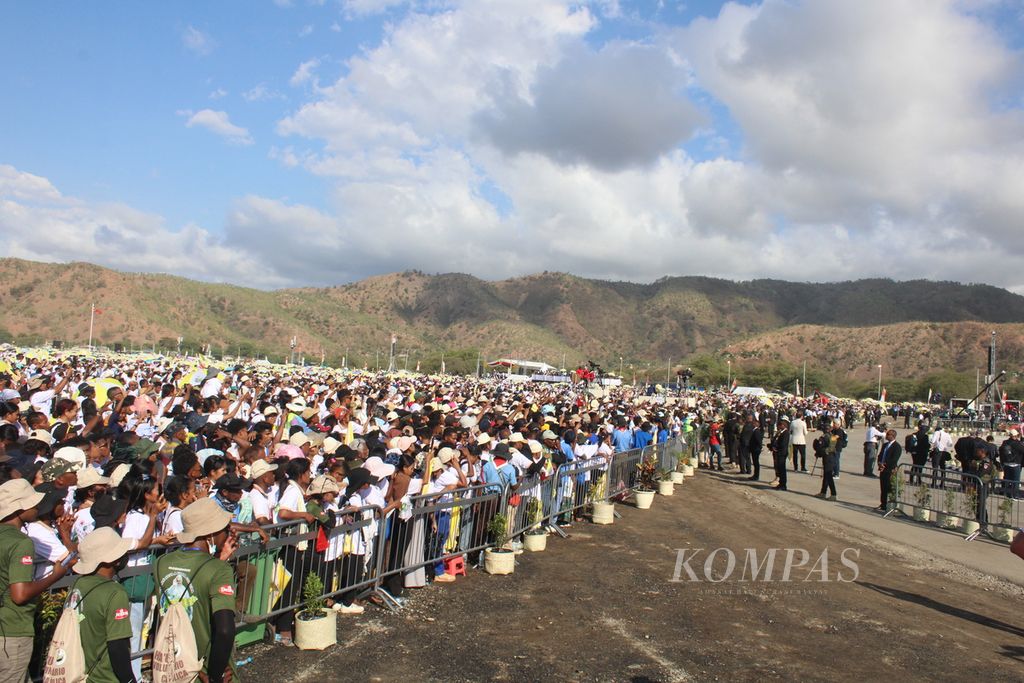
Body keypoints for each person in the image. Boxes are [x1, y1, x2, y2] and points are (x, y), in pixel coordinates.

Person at [154, 498, 237, 683]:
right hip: (204, 665)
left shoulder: (160, 563)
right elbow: (225, 630)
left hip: (172, 663)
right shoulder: (219, 570)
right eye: (225, 528)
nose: (229, 531)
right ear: (211, 534)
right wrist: (216, 677)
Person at [1, 479, 76, 682]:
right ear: (18, 508)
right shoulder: (21, 542)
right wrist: (56, 575)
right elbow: (20, 594)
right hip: (12, 631)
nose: (38, 507)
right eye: (32, 503)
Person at [66, 527, 137, 683]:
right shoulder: (115, 593)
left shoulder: (78, 584)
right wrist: (130, 680)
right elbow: (117, 646)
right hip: (105, 677)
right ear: (114, 559)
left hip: (77, 674)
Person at [877, 429, 903, 511]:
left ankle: (890, 504)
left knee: (889, 487)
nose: (886, 436)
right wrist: (880, 463)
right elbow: (880, 455)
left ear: (892, 436)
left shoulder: (897, 447)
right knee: (883, 487)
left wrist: (885, 464)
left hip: (890, 470)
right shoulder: (885, 445)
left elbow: (894, 459)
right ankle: (883, 504)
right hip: (882, 469)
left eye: (888, 434)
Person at [770, 416, 790, 491]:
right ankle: (780, 483)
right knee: (779, 469)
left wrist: (776, 447)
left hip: (782, 453)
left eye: (780, 425)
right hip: (778, 453)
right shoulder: (780, 432)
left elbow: (783, 444)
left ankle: (783, 485)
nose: (778, 427)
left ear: (783, 425)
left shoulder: (785, 433)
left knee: (782, 469)